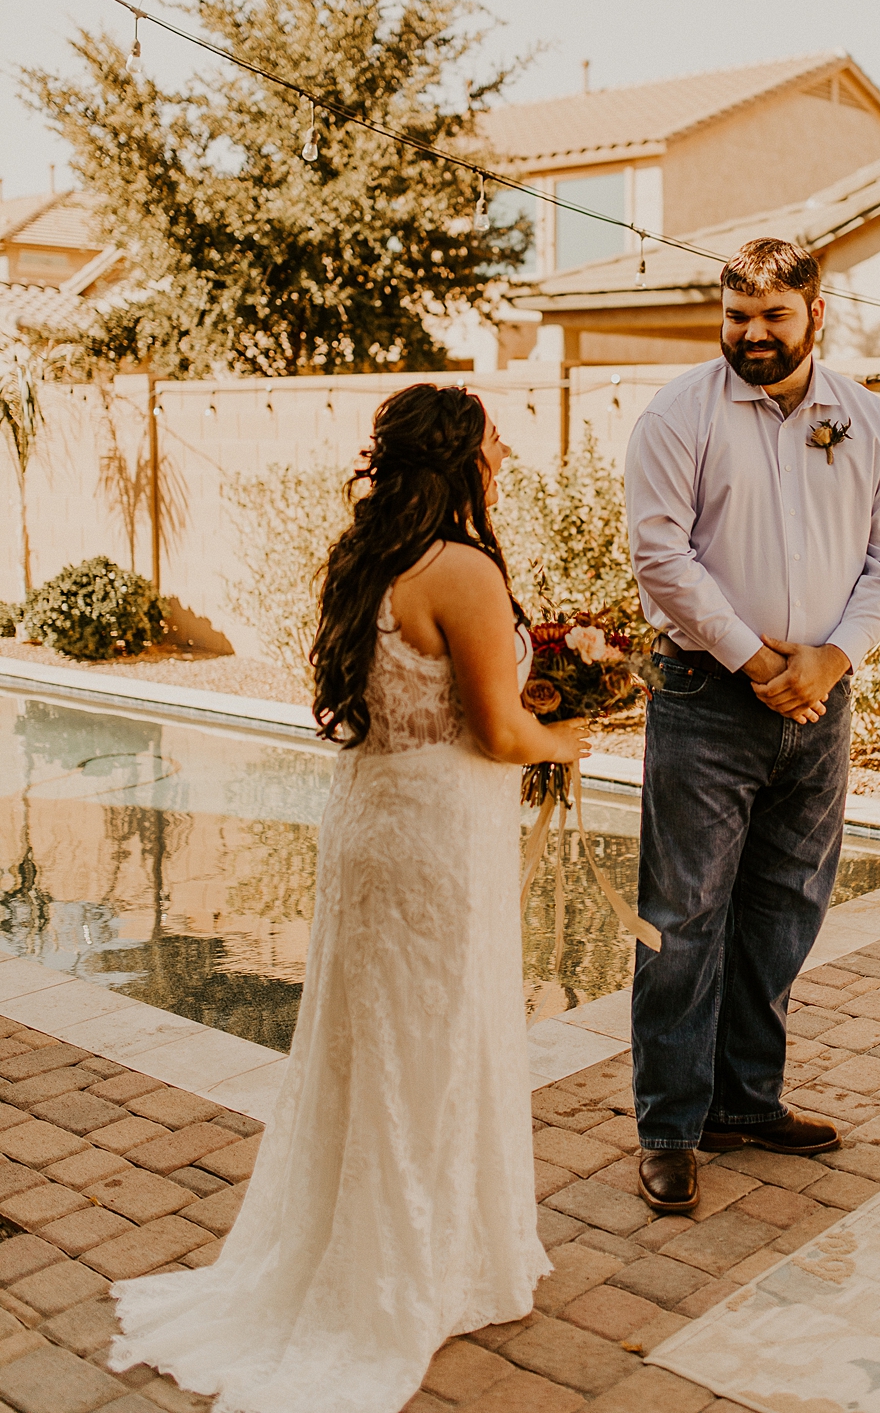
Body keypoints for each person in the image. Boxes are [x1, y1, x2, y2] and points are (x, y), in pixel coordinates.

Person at [110, 384, 589, 1413]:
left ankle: (396, 1251)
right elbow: (498, 734)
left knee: (375, 1049)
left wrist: (537, 694)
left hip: (378, 818)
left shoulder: (373, 555)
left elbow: (439, 696)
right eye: (493, 438)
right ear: (461, 455)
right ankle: (404, 1276)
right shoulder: (460, 565)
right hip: (434, 842)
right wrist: (568, 739)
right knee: (428, 1047)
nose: (504, 450)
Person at [624, 237, 880, 1214]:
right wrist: (757, 661)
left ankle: (746, 1103)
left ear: (815, 315)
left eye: (773, 318)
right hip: (709, 698)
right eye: (737, 316)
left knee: (786, 907)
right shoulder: (680, 414)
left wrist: (827, 662)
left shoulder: (868, 423)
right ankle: (671, 1125)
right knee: (682, 922)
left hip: (820, 702)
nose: (750, 335)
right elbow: (662, 558)